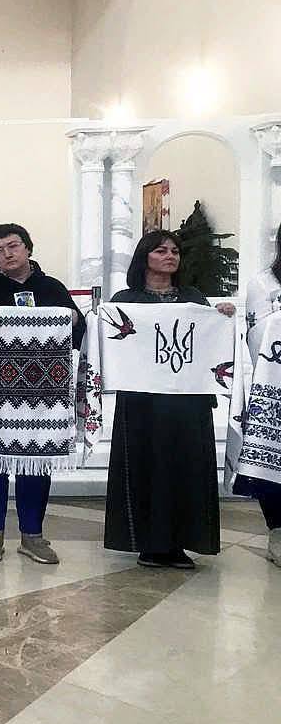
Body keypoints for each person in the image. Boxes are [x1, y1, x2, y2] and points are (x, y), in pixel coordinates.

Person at [103, 231, 234, 568]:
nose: (170, 256)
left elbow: (206, 341)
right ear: (144, 257)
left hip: (187, 403)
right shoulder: (126, 299)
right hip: (142, 404)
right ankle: (149, 543)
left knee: (185, 469)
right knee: (147, 467)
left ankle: (181, 542)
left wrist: (219, 315)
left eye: (174, 251)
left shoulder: (193, 298)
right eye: (161, 251)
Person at [0, 224, 85, 565]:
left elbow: (79, 330)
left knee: (36, 463)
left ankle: (33, 535)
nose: (7, 254)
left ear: (28, 247)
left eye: (13, 246)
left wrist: (74, 320)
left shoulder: (52, 288)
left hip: (42, 397)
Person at [238, 224, 281, 566]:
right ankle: (278, 530)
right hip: (275, 387)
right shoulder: (263, 283)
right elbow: (258, 334)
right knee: (272, 462)